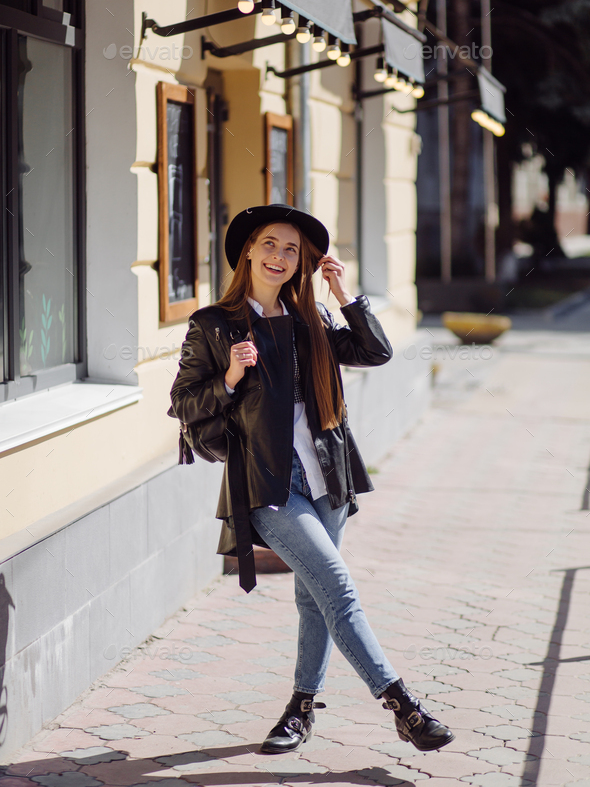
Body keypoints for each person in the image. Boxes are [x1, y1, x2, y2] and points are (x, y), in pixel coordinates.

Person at [169, 204, 454, 756]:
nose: (279, 256)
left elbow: (376, 351)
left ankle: (300, 710)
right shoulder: (212, 325)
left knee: (314, 596)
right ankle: (404, 707)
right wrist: (229, 376)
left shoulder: (311, 321)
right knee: (339, 589)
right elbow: (184, 404)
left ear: (302, 262)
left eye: (291, 249)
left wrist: (344, 294)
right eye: (269, 244)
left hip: (328, 477)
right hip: (269, 487)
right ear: (248, 250)